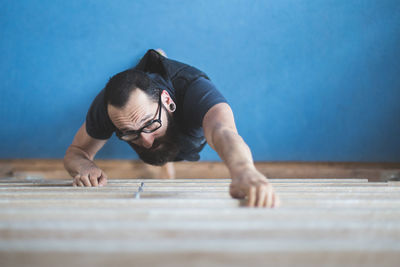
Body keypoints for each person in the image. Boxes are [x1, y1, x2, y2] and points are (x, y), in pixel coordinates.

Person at [64, 49, 279, 208]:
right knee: (156, 147)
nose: (146, 141)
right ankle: (153, 60)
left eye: (150, 124)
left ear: (167, 100)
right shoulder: (108, 107)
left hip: (187, 126)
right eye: (130, 133)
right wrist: (85, 168)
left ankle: (158, 56)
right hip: (150, 95)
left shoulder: (195, 88)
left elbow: (223, 132)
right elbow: (76, 153)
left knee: (180, 142)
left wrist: (243, 170)